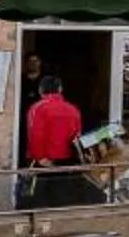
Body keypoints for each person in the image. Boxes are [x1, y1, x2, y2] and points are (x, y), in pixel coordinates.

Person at [23, 76, 84, 208]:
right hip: (68, 161)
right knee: (62, 198)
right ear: (60, 89)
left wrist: (39, 157)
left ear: (40, 90)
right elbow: (77, 136)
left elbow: (35, 134)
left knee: (38, 199)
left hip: (44, 161)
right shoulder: (73, 109)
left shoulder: (37, 108)